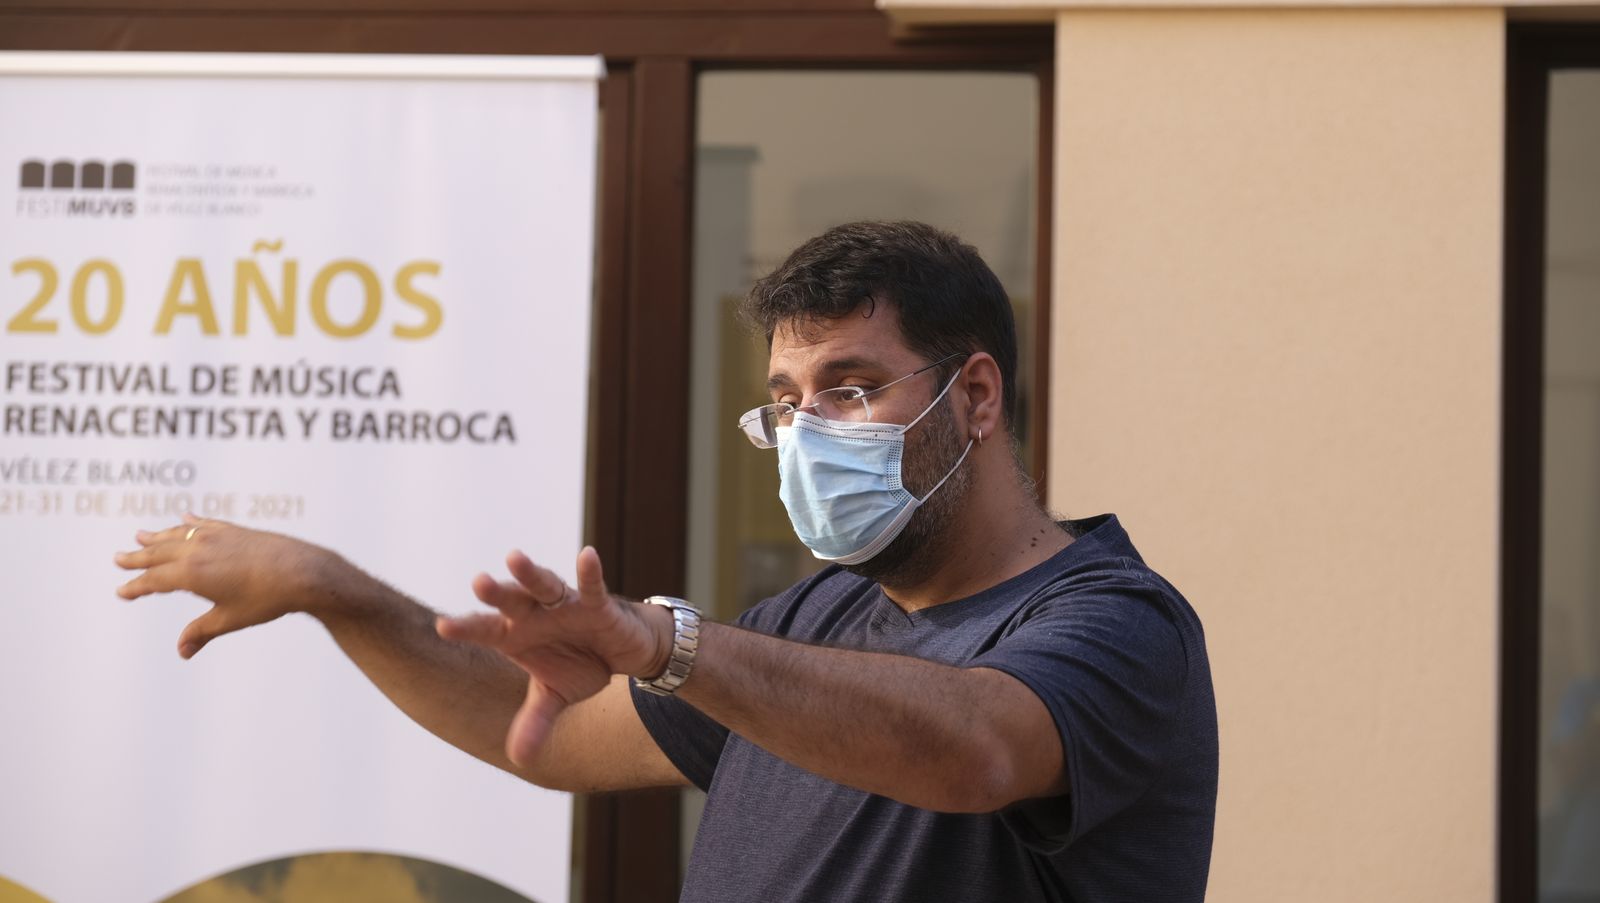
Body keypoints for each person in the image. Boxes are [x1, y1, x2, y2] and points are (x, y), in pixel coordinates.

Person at [116, 221, 1217, 902]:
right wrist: (332, 591)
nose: (808, 432)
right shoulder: (816, 616)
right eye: (784, 404)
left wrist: (668, 643)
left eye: (849, 387)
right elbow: (541, 733)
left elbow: (972, 748)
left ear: (973, 396)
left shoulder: (1115, 624)